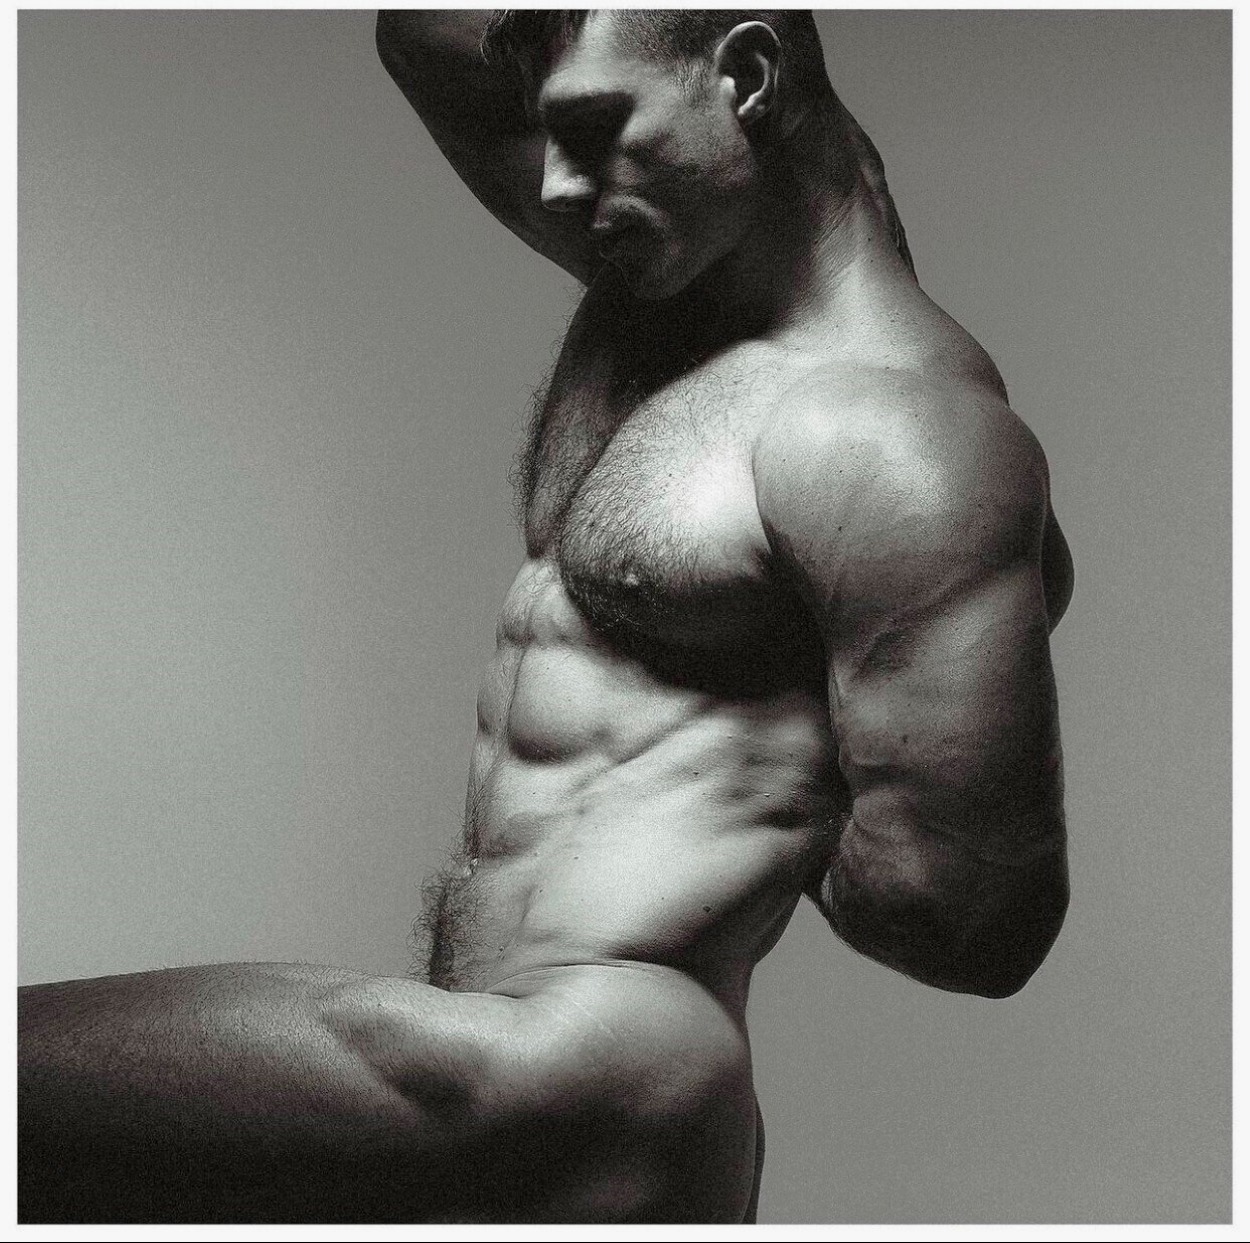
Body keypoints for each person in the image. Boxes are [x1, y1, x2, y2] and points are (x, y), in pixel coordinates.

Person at [18, 9, 1074, 1224]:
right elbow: (419, 33)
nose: (556, 184)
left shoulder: (898, 438)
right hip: (502, 1059)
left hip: (594, 1073)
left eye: (590, 127)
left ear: (746, 78)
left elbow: (973, 923)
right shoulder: (662, 282)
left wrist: (770, 798)